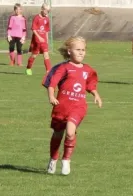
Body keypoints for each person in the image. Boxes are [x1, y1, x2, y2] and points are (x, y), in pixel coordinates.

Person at [41, 36, 102, 175]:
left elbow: (90, 85)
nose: (81, 52)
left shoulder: (87, 70)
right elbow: (52, 83)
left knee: (70, 132)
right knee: (57, 134)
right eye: (78, 50)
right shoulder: (64, 68)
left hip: (78, 107)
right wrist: (51, 96)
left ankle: (66, 160)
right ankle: (53, 159)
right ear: (69, 51)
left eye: (83, 50)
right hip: (62, 106)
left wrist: (96, 94)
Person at [26, 3, 51, 76]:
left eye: (48, 11)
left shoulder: (47, 19)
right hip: (37, 40)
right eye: (46, 11)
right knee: (34, 55)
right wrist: (39, 37)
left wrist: (47, 40)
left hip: (44, 41)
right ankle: (28, 68)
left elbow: (46, 30)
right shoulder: (36, 18)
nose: (47, 12)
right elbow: (34, 29)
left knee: (46, 55)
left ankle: (48, 71)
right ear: (42, 9)